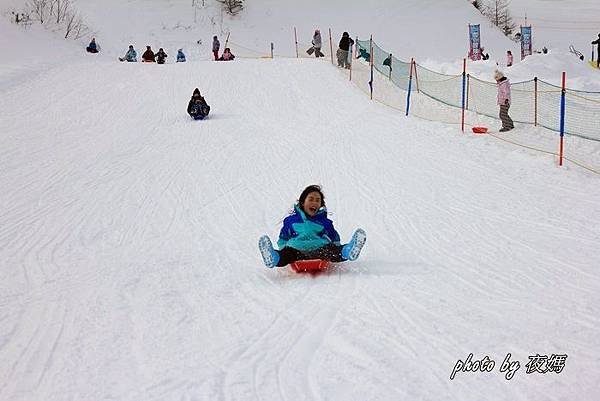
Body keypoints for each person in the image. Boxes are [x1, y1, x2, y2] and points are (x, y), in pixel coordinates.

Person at [258, 185, 367, 268]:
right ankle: (273, 257)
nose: (314, 202)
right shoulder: (291, 221)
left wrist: (337, 247)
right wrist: (283, 247)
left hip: (319, 249)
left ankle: (348, 250)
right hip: (296, 250)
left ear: (321, 205)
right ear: (302, 202)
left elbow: (334, 238)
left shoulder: (325, 222)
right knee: (286, 254)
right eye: (311, 199)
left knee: (332, 251)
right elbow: (283, 238)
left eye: (317, 200)